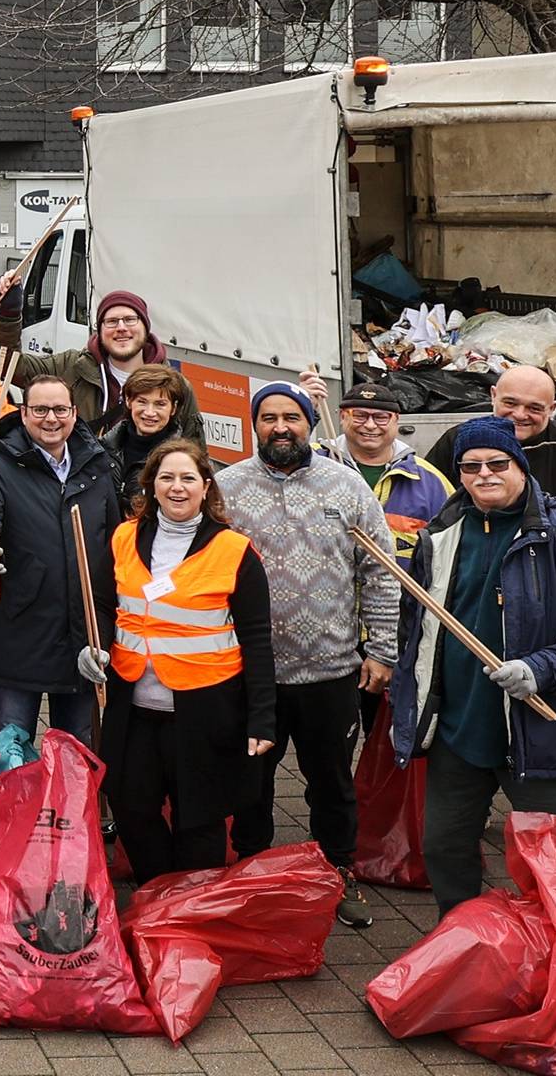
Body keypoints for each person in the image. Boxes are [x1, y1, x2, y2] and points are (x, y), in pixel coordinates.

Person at [388, 416, 556, 915]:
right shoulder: (439, 536)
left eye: (497, 463)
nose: (484, 475)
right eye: (470, 466)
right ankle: (465, 949)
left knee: (549, 865)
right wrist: (409, 701)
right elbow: (414, 630)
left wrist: (541, 669)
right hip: (458, 725)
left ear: (520, 467)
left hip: (542, 732)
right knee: (446, 850)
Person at [215, 381, 397, 929]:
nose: (280, 427)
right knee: (250, 784)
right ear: (255, 425)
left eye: (290, 417)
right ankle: (248, 875)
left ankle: (336, 875)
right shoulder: (225, 488)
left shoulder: (345, 487)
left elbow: (383, 575)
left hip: (332, 666)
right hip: (250, 671)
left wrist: (382, 648)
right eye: (268, 418)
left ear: (309, 422)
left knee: (332, 782)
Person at [98, 438, 277, 879]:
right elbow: (102, 606)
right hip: (134, 705)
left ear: (206, 486)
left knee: (200, 817)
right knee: (131, 807)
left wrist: (262, 719)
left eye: (187, 478)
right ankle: (157, 892)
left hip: (206, 708)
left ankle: (191, 906)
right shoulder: (124, 537)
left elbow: (257, 640)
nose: (177, 488)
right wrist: (94, 648)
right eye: (166, 478)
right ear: (151, 486)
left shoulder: (234, 549)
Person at [0, 375, 120, 744]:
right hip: (21, 632)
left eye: (60, 409)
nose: (51, 419)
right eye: (41, 410)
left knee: (75, 748)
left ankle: (66, 806)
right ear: (24, 414)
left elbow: (115, 541)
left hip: (84, 633)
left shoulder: (95, 467)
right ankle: (15, 805)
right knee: (11, 746)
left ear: (75, 414)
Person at [423, 364, 556, 505]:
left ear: (552, 408)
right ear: (493, 395)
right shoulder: (457, 440)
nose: (520, 415)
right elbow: (425, 497)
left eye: (534, 408)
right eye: (510, 403)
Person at [0, 287, 169, 424]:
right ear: (100, 330)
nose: (121, 327)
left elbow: (191, 443)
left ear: (145, 326)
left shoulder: (171, 382)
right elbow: (10, 365)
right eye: (111, 321)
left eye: (130, 319)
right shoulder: (71, 367)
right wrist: (9, 313)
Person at [321, 381, 453, 559]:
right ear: (343, 417)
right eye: (360, 416)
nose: (370, 425)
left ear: (396, 420)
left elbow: (449, 549)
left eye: (381, 417)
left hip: (400, 587)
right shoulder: (315, 463)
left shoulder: (430, 480)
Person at [98, 363, 199, 497]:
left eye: (160, 404)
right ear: (128, 401)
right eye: (142, 401)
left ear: (173, 408)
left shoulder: (187, 461)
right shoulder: (102, 450)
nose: (150, 412)